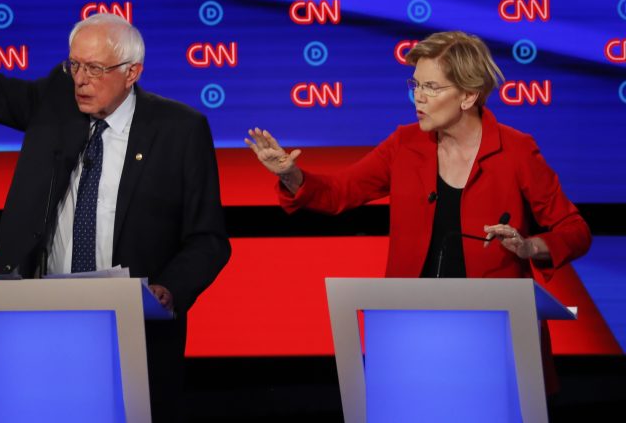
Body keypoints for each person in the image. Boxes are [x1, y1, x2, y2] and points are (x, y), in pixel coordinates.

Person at [0, 10, 231, 422]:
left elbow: (208, 239)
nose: (80, 80)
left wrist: (168, 290)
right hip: (43, 321)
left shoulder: (180, 129)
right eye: (75, 65)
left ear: (132, 72)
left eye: (95, 68)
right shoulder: (56, 103)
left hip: (133, 330)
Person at [246, 30, 591, 391]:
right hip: (412, 330)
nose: (418, 97)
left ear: (468, 95)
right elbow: (337, 193)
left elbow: (575, 231)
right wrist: (290, 174)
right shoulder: (404, 145)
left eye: (432, 87)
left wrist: (528, 247)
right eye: (415, 84)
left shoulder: (517, 151)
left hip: (494, 333)